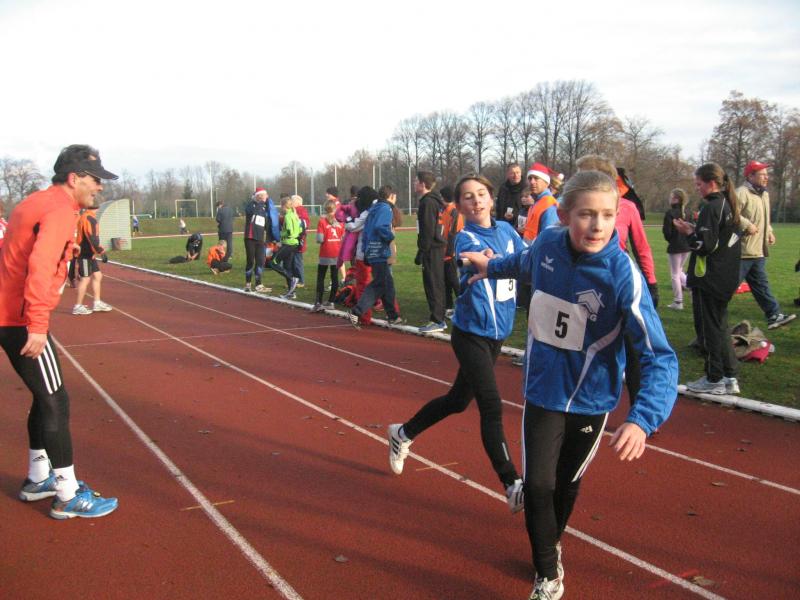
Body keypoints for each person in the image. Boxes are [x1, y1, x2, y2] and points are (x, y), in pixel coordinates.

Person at [461, 170, 677, 600]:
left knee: (565, 482)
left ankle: (550, 541)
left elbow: (659, 356)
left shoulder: (623, 276)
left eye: (607, 215)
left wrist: (642, 419)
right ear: (564, 216)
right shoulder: (547, 244)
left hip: (590, 401)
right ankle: (547, 572)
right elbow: (522, 264)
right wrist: (491, 266)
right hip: (543, 390)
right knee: (537, 485)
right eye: (586, 215)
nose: (597, 225)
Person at [387, 173, 526, 514]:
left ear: (491, 199)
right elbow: (471, 262)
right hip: (471, 333)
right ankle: (512, 483)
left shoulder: (508, 233)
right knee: (490, 405)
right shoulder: (465, 237)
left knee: (458, 400)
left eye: (481, 194)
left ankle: (402, 433)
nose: (476, 200)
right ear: (460, 206)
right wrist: (487, 261)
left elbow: (528, 262)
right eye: (468, 196)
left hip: (497, 335)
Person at [0, 144, 118, 519]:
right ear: (74, 178)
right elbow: (39, 266)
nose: (99, 186)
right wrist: (36, 324)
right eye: (94, 179)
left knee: (44, 395)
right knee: (56, 400)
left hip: (11, 314)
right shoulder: (59, 210)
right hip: (20, 319)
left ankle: (38, 478)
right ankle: (67, 494)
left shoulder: (35, 202)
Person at [576, 155, 658, 408]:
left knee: (633, 351)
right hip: (581, 285)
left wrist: (651, 282)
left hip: (617, 285)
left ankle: (639, 410)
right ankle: (580, 404)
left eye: (582, 174)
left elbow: (642, 247)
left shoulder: (628, 208)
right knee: (583, 347)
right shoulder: (573, 207)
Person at [675, 163, 743, 395]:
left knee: (708, 329)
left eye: (699, 184)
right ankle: (729, 377)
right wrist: (696, 230)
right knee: (720, 326)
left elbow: (705, 245)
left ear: (711, 183)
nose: (697, 188)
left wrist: (689, 233)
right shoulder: (729, 204)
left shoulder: (711, 207)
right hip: (725, 276)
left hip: (709, 278)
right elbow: (718, 239)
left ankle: (714, 377)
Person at [735, 160, 796, 329]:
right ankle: (710, 319)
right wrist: (747, 225)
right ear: (750, 176)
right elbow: (731, 214)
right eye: (762, 175)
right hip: (742, 252)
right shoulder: (741, 193)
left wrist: (769, 231)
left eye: (766, 175)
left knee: (761, 286)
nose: (766, 178)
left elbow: (764, 218)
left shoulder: (764, 194)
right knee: (727, 288)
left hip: (758, 251)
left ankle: (774, 315)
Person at [348, 185, 404, 327]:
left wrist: (366, 249)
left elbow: (367, 231)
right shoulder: (385, 208)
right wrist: (390, 236)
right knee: (379, 283)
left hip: (371, 250)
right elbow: (380, 227)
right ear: (391, 196)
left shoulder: (373, 208)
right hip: (379, 251)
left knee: (387, 284)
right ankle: (357, 311)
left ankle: (393, 315)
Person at [415, 171, 447, 333]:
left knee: (433, 283)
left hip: (432, 248)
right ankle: (439, 316)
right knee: (436, 282)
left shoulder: (428, 202)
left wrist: (422, 250)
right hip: (436, 247)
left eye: (416, 181)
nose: (414, 184)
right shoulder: (433, 201)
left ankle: (437, 319)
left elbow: (428, 229)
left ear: (422, 184)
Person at [72, 205, 112, 315]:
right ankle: (78, 306)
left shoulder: (85, 216)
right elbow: (92, 237)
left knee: (98, 276)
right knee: (85, 279)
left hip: (89, 253)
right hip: (84, 254)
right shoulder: (89, 218)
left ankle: (97, 303)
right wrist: (101, 251)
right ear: (97, 208)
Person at [243, 187, 279, 293]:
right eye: (264, 195)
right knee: (250, 261)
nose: (266, 197)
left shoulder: (264, 207)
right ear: (259, 196)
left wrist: (271, 236)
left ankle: (258, 284)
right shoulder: (251, 205)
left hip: (260, 239)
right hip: (250, 238)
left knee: (260, 261)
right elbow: (251, 212)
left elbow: (266, 223)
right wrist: (260, 202)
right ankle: (248, 284)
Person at [662, 188, 692, 310]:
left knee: (675, 274)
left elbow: (667, 232)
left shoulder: (670, 213)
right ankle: (693, 288)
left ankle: (678, 302)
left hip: (676, 246)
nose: (669, 199)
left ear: (676, 199)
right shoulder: (688, 212)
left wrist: (671, 240)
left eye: (671, 197)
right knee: (679, 271)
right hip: (687, 246)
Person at [312, 199, 344, 311]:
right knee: (334, 277)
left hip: (325, 252)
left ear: (325, 209)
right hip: (337, 252)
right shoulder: (341, 222)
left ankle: (318, 302)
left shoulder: (322, 221)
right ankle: (331, 301)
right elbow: (343, 238)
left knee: (321, 277)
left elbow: (320, 239)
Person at [270, 195, 302, 299]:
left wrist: (281, 236)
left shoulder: (288, 216)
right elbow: (300, 229)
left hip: (288, 243)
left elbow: (290, 231)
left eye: (281, 205)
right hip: (294, 244)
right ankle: (291, 292)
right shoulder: (294, 214)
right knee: (287, 267)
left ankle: (292, 279)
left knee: (273, 263)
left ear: (284, 206)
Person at [439, 185, 463, 320]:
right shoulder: (444, 210)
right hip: (443, 252)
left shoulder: (454, 212)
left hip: (450, 253)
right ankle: (448, 307)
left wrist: (450, 251)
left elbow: (454, 232)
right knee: (445, 282)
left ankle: (464, 306)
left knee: (454, 281)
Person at [521, 163, 559, 243]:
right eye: (530, 178)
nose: (532, 182)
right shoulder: (536, 202)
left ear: (546, 182)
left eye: (536, 178)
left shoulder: (549, 204)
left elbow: (549, 239)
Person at [495, 162, 526, 227]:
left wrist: (514, 216)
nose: (516, 175)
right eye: (512, 173)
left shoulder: (526, 189)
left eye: (517, 172)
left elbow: (529, 211)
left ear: (521, 173)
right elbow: (498, 208)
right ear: (508, 175)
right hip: (503, 225)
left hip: (520, 227)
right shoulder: (503, 188)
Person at [292, 195, 310, 288]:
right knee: (293, 261)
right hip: (294, 240)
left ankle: (301, 281)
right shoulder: (294, 210)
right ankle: (294, 280)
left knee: (297, 261)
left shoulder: (301, 211)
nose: (291, 203)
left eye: (292, 201)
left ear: (298, 202)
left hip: (298, 240)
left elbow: (305, 224)